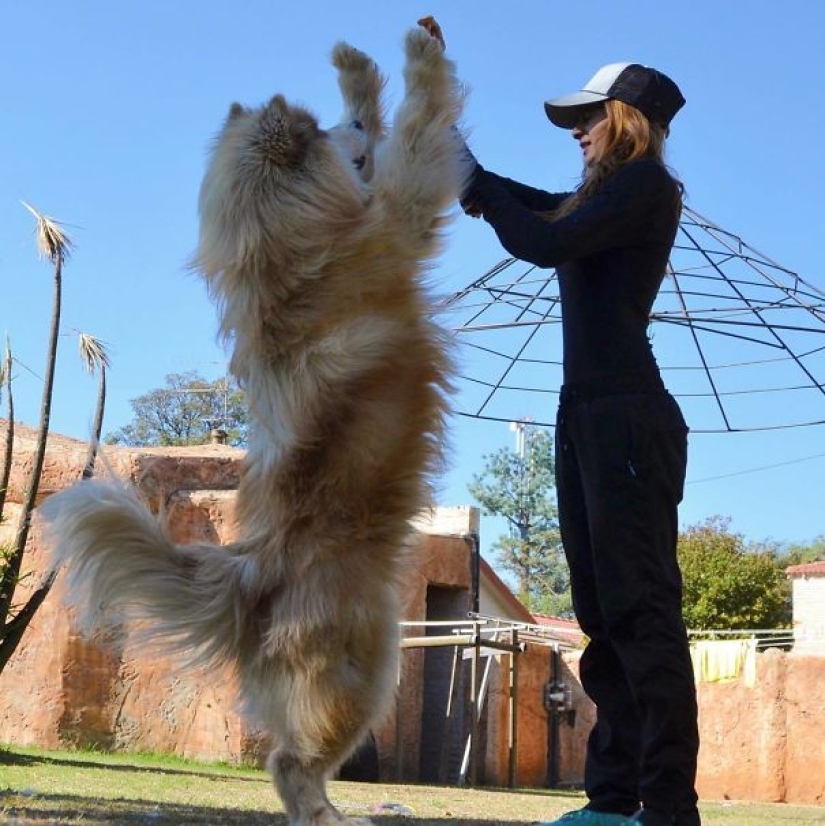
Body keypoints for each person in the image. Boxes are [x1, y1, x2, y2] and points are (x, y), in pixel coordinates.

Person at [460, 63, 699, 826]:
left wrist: (482, 188)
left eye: (589, 116)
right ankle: (611, 799)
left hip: (628, 418)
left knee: (641, 613)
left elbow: (541, 238)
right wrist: (460, 163)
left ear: (626, 119)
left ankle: (668, 809)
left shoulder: (645, 187)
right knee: (600, 613)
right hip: (584, 416)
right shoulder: (600, 197)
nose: (577, 131)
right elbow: (533, 206)